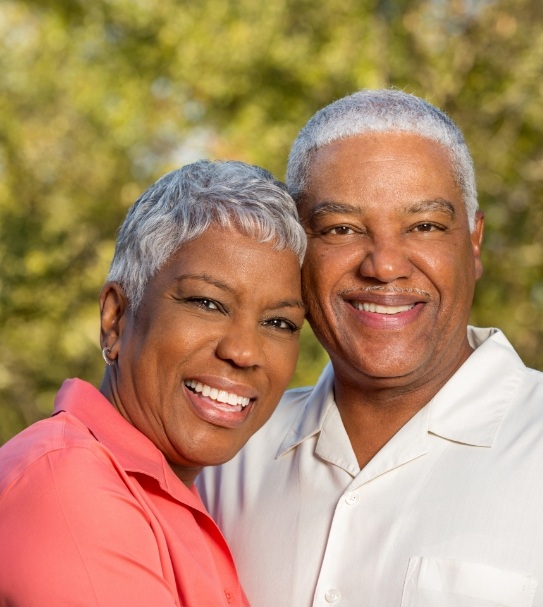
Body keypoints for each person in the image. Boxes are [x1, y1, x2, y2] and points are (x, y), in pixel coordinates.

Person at [198, 90, 543, 607]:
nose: (384, 265)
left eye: (423, 226)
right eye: (341, 228)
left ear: (473, 243)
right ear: (296, 250)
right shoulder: (223, 455)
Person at [0, 160, 307, 607]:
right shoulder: (68, 483)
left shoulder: (176, 496)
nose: (244, 351)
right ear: (115, 318)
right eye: (207, 302)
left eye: (279, 322)